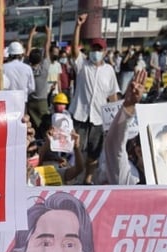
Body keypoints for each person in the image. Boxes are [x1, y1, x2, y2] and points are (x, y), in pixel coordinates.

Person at [68, 14, 120, 183]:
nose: (96, 52)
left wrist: (116, 117)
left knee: (94, 151)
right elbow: (74, 49)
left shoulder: (109, 71)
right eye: (94, 49)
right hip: (80, 114)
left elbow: (112, 95)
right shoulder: (82, 65)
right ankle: (73, 175)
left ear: (105, 52)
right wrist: (78, 26)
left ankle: (88, 179)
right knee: (76, 148)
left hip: (98, 118)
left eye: (99, 49)